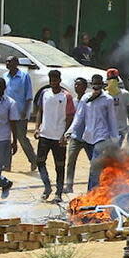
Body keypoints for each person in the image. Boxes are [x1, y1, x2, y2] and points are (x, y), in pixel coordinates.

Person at [65, 74, 118, 191]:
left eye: (99, 85)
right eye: (94, 86)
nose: (96, 88)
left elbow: (112, 120)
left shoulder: (108, 99)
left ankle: (91, 192)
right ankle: (99, 187)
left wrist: (115, 138)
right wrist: (69, 131)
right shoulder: (85, 98)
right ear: (92, 85)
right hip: (88, 136)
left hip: (101, 136)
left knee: (94, 165)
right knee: (96, 166)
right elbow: (79, 117)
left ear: (102, 85)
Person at [35, 70, 75, 203]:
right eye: (51, 80)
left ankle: (58, 192)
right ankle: (47, 186)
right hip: (45, 134)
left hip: (59, 136)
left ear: (59, 80)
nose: (53, 82)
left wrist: (65, 134)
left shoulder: (66, 96)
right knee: (40, 161)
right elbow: (40, 111)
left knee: (60, 165)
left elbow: (70, 116)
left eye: (55, 79)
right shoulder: (44, 94)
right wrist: (37, 127)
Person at [3, 56, 36, 172]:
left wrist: (25, 110)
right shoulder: (4, 77)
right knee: (6, 138)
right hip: (7, 112)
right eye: (6, 61)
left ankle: (33, 160)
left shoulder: (24, 76)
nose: (7, 63)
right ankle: (6, 164)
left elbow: (28, 95)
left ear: (16, 63)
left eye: (10, 61)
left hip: (20, 112)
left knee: (21, 137)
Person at [64, 77, 91, 193]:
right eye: (75, 85)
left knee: (93, 162)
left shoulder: (89, 101)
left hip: (88, 137)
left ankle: (93, 186)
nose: (76, 87)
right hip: (75, 136)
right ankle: (69, 186)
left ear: (85, 87)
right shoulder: (72, 101)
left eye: (79, 85)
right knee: (70, 162)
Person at [106, 68, 129, 144]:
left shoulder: (125, 94)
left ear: (117, 80)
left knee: (116, 149)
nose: (112, 81)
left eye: (114, 79)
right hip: (106, 130)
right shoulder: (104, 95)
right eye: (110, 79)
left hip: (121, 129)